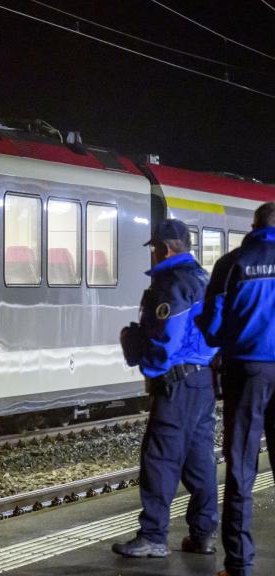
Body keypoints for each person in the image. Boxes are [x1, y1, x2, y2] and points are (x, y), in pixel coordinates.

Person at [113, 218, 219, 558]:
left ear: (165, 249)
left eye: (154, 249)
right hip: (202, 381)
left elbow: (166, 338)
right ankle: (203, 534)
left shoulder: (171, 283)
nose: (153, 256)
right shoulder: (204, 278)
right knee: (198, 459)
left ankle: (154, 536)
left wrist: (148, 364)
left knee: (159, 458)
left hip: (176, 383)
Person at [196, 202, 275, 576]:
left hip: (245, 372)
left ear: (253, 225)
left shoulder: (231, 264)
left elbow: (211, 327)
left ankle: (239, 563)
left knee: (242, 468)